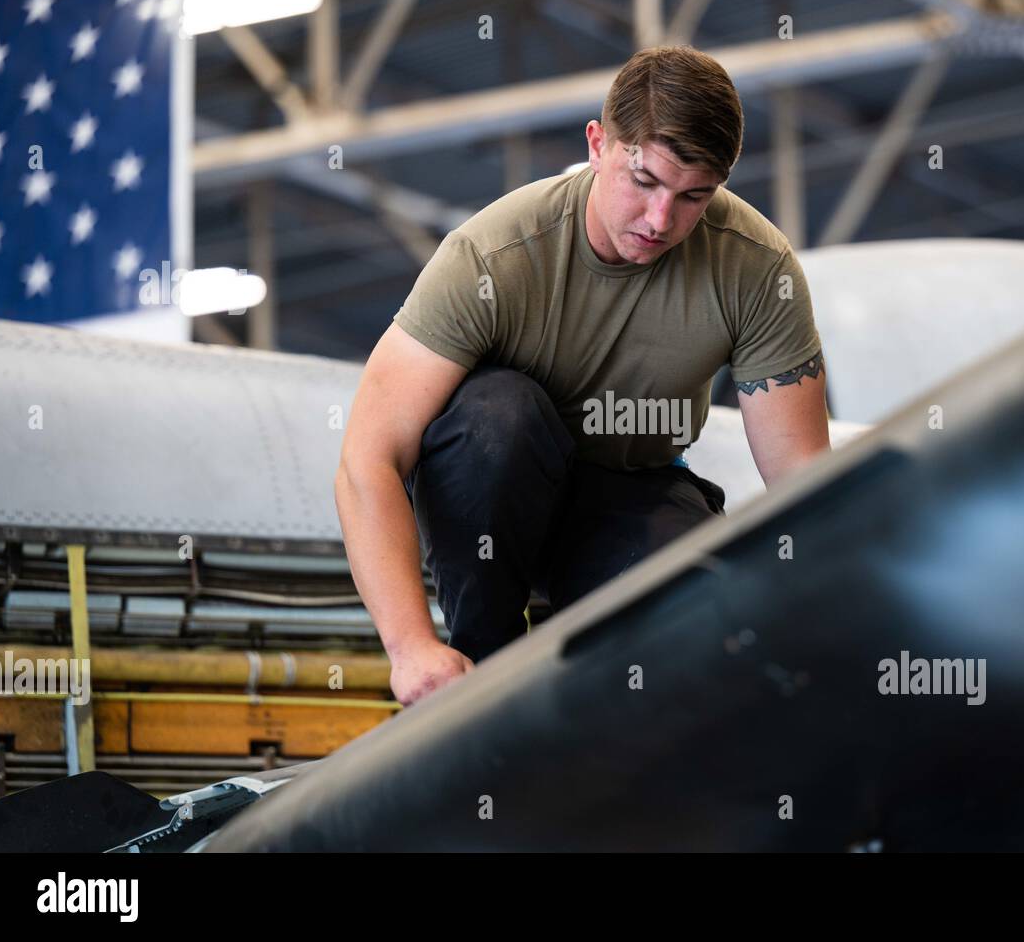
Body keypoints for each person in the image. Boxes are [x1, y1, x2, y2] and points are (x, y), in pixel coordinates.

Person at [335, 45, 830, 706]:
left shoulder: (756, 269)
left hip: (631, 497)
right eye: (644, 182)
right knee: (499, 413)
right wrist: (412, 648)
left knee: (698, 601)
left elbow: (804, 486)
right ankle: (485, 676)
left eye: (693, 197)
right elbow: (368, 458)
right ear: (598, 144)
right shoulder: (492, 256)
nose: (661, 221)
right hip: (493, 496)